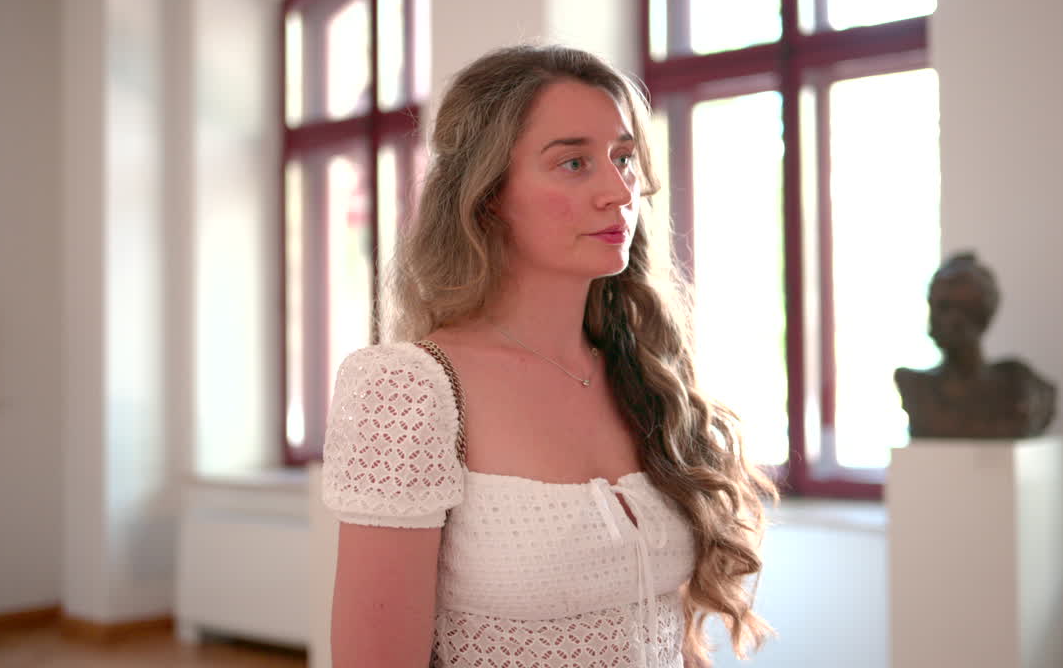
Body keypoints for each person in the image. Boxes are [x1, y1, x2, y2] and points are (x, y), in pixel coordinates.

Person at [321, 44, 777, 668]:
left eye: (623, 158)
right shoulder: (409, 387)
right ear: (486, 195)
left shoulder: (641, 374)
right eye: (573, 163)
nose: (619, 190)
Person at [894, 252, 1057, 439]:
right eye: (935, 306)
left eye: (946, 308)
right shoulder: (914, 385)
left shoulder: (1018, 385)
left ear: (976, 316)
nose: (936, 320)